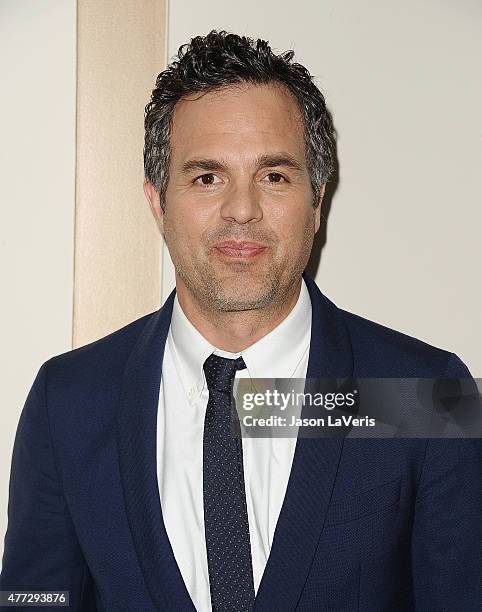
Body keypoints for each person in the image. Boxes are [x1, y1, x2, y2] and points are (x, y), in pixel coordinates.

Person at [1, 30, 481, 611]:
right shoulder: (70, 402)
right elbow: (32, 601)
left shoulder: (425, 395)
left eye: (274, 175)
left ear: (317, 200)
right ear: (158, 201)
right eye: (207, 177)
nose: (242, 209)